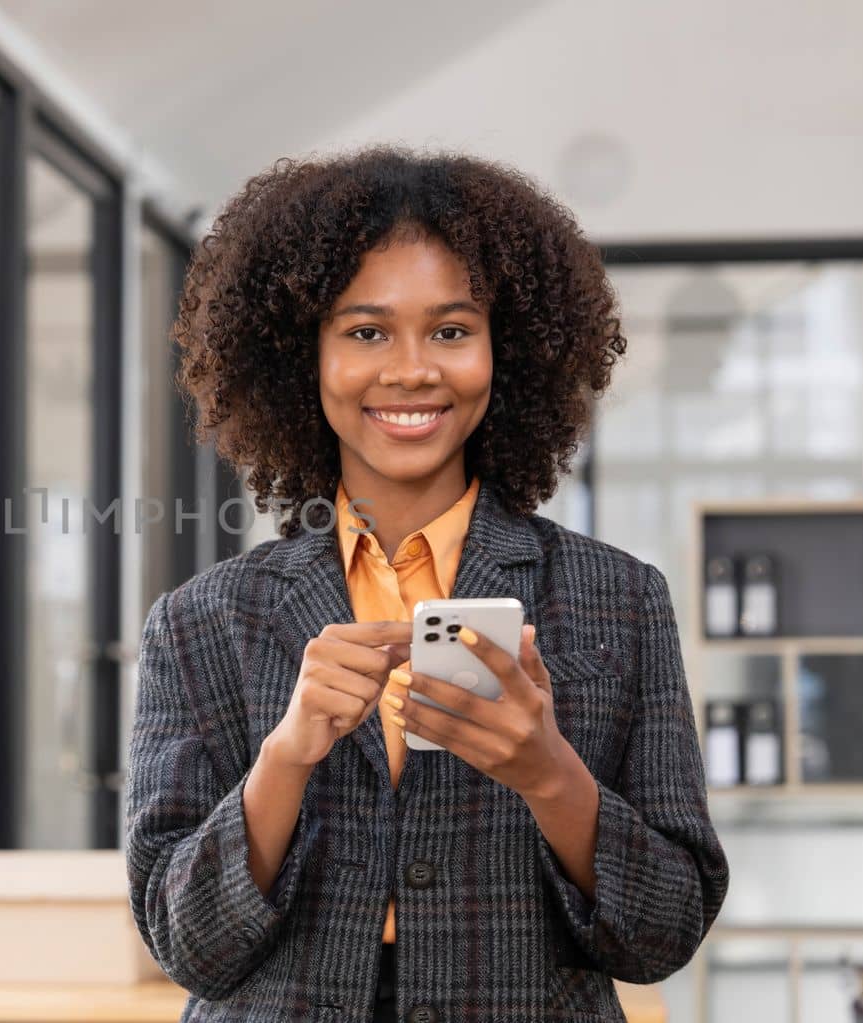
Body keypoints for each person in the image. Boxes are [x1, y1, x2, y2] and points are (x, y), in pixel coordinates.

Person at [123, 146, 729, 1022]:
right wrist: (285, 758)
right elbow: (187, 944)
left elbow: (665, 931)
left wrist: (550, 772)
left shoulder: (620, 599)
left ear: (507, 351)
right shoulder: (202, 621)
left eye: (451, 330)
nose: (411, 370)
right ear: (304, 357)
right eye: (365, 331)